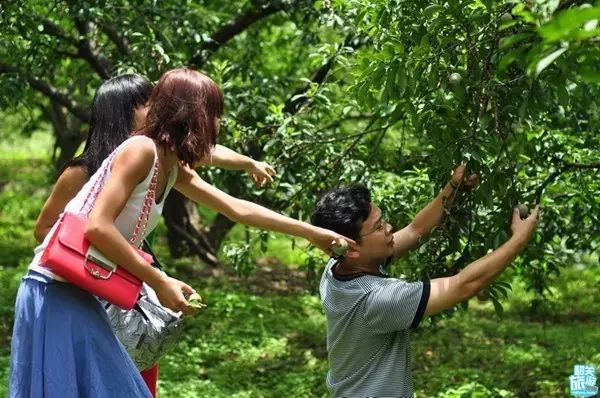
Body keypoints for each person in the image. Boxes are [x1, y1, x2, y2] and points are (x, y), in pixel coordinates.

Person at [10, 67, 353, 398]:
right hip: (53, 289)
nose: (218, 124)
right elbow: (98, 226)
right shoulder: (140, 151)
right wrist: (159, 281)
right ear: (194, 116)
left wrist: (310, 232)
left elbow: (237, 208)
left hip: (80, 291)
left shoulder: (172, 166)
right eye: (214, 114)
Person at [32, 73, 277, 398]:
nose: (160, 108)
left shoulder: (158, 158)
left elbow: (209, 152)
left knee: (139, 372)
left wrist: (248, 163)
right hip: (89, 292)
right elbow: (45, 229)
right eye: (149, 102)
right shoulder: (84, 171)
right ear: (125, 111)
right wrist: (94, 254)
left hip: (132, 288)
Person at [311, 165, 540, 397]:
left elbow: (415, 230)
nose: (390, 228)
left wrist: (454, 187)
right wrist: (518, 240)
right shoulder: (378, 300)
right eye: (379, 227)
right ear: (350, 248)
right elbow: (463, 285)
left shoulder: (336, 267)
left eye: (384, 220)